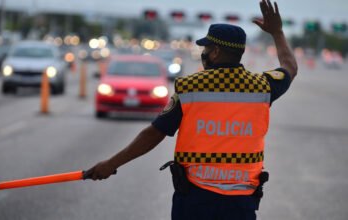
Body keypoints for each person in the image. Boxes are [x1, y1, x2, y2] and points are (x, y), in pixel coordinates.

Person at [85, 0, 298, 219]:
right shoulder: (262, 87)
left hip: (196, 200)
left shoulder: (190, 88)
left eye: (205, 48)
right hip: (241, 203)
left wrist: (111, 164)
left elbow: (154, 134)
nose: (203, 53)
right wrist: (278, 32)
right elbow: (290, 66)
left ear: (215, 52)